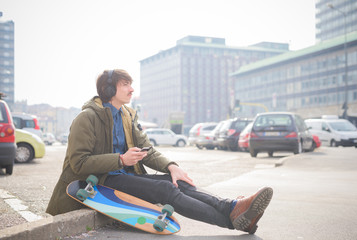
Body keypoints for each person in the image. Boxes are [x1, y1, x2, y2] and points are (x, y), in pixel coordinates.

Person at [46, 69, 273, 234]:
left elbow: (148, 151)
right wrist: (120, 159)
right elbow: (79, 163)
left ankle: (234, 210)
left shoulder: (127, 115)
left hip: (124, 177)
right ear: (108, 89)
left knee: (179, 183)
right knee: (165, 189)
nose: (131, 88)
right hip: (99, 183)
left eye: (130, 84)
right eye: (125, 84)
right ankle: (233, 219)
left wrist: (171, 166)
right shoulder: (87, 118)